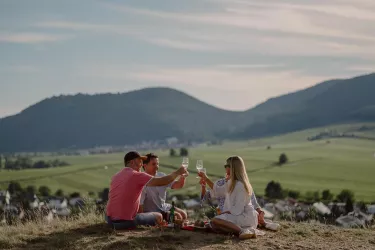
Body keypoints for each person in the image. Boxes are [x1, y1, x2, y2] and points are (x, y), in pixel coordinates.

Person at [106, 151, 188, 230]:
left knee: (176, 215)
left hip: (110, 221)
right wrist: (177, 172)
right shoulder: (136, 175)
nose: (141, 164)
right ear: (131, 162)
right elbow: (162, 181)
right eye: (139, 161)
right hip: (126, 222)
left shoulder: (116, 176)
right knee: (159, 216)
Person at [199, 156, 259, 240]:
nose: (225, 168)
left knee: (215, 221)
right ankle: (241, 230)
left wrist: (226, 212)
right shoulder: (231, 182)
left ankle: (243, 231)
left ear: (232, 168)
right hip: (237, 214)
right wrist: (205, 179)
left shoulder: (240, 185)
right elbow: (218, 191)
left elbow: (239, 209)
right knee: (214, 225)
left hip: (245, 216)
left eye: (226, 166)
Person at [140, 153, 187, 221]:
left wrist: (183, 177)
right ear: (145, 165)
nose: (157, 166)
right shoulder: (142, 180)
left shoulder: (161, 175)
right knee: (177, 216)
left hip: (163, 206)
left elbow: (178, 185)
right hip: (152, 211)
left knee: (184, 214)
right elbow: (140, 205)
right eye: (153, 164)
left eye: (157, 164)